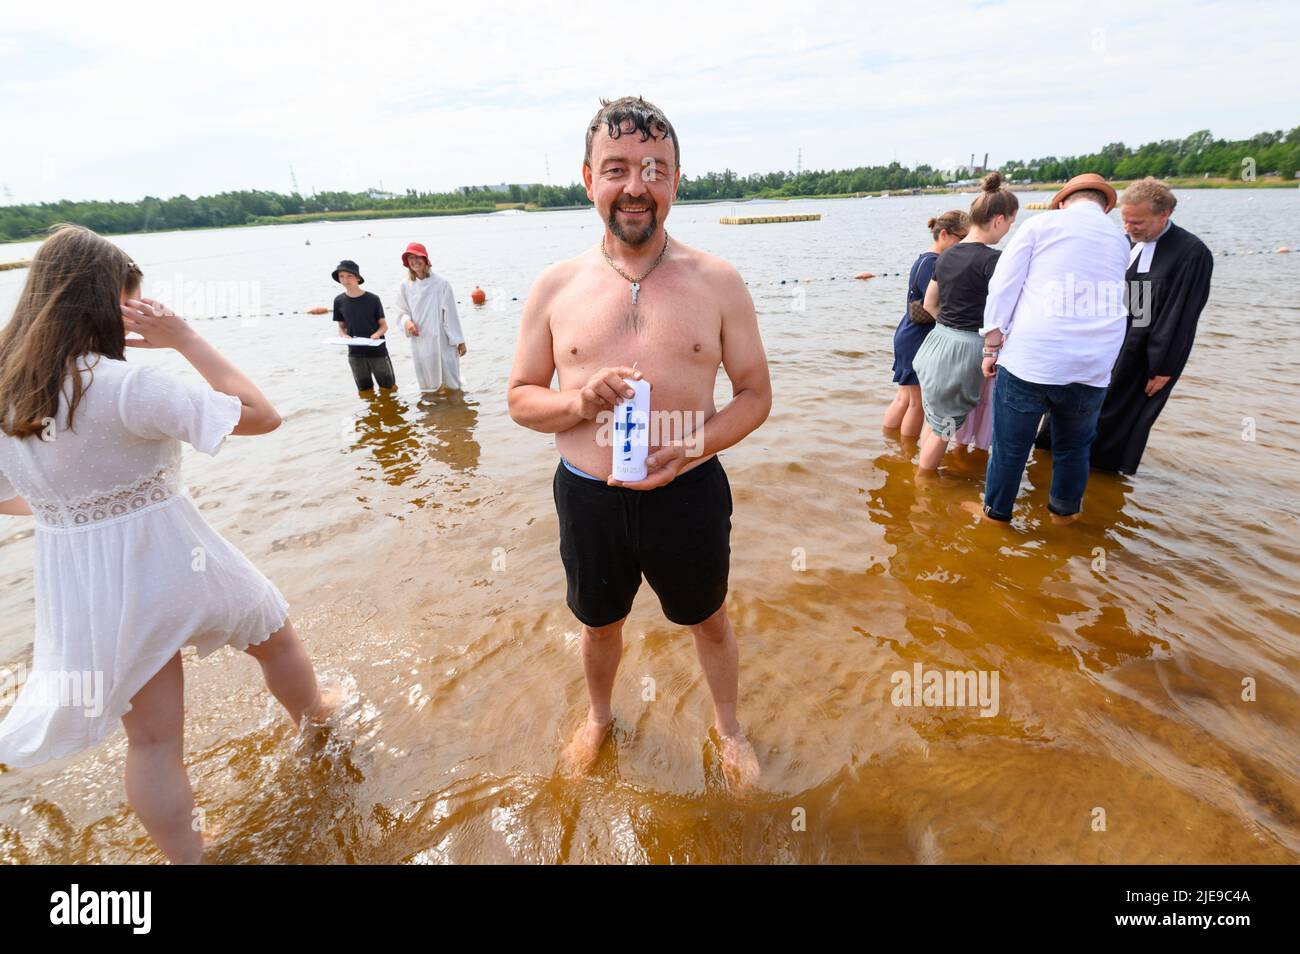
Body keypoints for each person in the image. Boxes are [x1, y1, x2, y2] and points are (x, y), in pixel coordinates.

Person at [0, 225, 331, 864]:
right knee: (275, 635)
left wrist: (70, 510)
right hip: (173, 554)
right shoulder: (126, 385)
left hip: (82, 578)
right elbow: (261, 415)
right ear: (108, 302)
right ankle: (319, 727)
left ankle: (188, 860)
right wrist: (185, 338)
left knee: (151, 742)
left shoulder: (11, 390)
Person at [506, 96, 771, 789]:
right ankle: (598, 717)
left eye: (654, 169)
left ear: (676, 179)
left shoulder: (718, 281)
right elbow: (519, 398)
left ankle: (729, 727)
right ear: (588, 177)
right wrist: (576, 400)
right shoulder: (554, 286)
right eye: (617, 168)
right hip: (590, 496)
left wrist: (693, 444)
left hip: (689, 491)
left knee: (709, 621)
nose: (635, 186)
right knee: (598, 626)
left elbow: (754, 395)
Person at [978, 173, 1131, 521]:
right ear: (1105, 207)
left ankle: (996, 515)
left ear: (1062, 202)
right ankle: (1064, 517)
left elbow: (1003, 286)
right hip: (1093, 363)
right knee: (1074, 449)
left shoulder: (1041, 225)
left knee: (1011, 448)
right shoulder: (1121, 241)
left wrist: (991, 346)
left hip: (1033, 358)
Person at [1088, 177, 1214, 473]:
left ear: (1163, 215)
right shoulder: (1126, 242)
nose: (1130, 228)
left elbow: (1181, 315)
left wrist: (1163, 366)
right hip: (1110, 343)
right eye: (1126, 221)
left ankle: (1102, 476)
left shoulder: (1191, 253)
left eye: (1138, 223)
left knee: (1119, 414)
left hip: (1146, 353)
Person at [912, 172, 1018, 471]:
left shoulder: (945, 255)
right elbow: (1003, 311)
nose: (1008, 230)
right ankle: (924, 488)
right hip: (965, 349)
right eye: (1010, 223)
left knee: (933, 419)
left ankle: (917, 473)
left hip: (935, 342)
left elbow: (930, 303)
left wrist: (948, 326)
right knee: (943, 427)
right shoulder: (994, 260)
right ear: (999, 219)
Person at [882, 210, 968, 437]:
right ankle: (907, 453)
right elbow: (939, 303)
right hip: (917, 337)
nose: (965, 244)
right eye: (962, 238)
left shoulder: (925, 259)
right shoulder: (934, 263)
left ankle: (894, 449)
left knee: (904, 399)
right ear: (944, 234)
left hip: (908, 333)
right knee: (915, 404)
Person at [394, 242, 467, 403]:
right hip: (420, 339)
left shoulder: (441, 283)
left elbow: (451, 314)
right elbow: (401, 311)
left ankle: (456, 413)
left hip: (443, 339)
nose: (414, 261)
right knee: (428, 384)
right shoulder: (405, 286)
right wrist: (407, 322)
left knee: (451, 382)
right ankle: (434, 411)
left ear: (426, 260)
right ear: (407, 263)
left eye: (418, 257)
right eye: (410, 258)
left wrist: (459, 341)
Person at [331, 259, 396, 399]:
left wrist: (377, 334)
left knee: (388, 389)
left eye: (349, 276)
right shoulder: (338, 301)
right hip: (355, 354)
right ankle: (372, 417)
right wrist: (344, 336)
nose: (345, 280)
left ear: (357, 278)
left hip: (377, 351)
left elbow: (384, 326)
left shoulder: (372, 299)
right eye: (341, 276)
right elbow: (341, 328)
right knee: (365, 392)